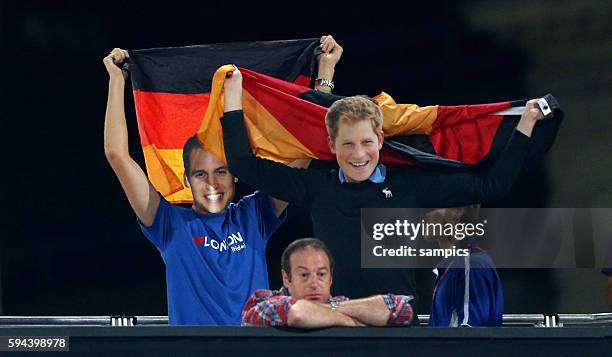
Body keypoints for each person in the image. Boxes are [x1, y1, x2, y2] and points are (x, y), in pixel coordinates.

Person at [220, 67, 549, 303]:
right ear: (332, 145)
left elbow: (491, 186)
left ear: (380, 140)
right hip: (335, 330)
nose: (358, 154)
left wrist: (526, 124)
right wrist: (233, 97)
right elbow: (243, 165)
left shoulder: (410, 186)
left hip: (400, 331)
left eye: (366, 142)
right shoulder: (316, 187)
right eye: (347, 144)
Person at [102, 36, 342, 325]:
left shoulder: (254, 216)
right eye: (200, 174)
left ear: (235, 174)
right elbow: (117, 154)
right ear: (186, 180)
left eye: (221, 172)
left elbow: (306, 144)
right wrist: (117, 79)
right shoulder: (168, 222)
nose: (212, 183)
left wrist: (325, 73)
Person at [242, 238, 413, 327]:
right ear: (287, 278)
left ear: (331, 278)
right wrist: (354, 322)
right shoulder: (263, 303)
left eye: (321, 274)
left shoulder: (342, 304)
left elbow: (403, 311)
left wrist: (333, 310)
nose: (314, 283)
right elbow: (297, 313)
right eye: (304, 275)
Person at [424, 205, 503, 327]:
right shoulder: (455, 264)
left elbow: (471, 338)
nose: (426, 214)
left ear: (457, 211)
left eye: (434, 205)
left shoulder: (469, 264)